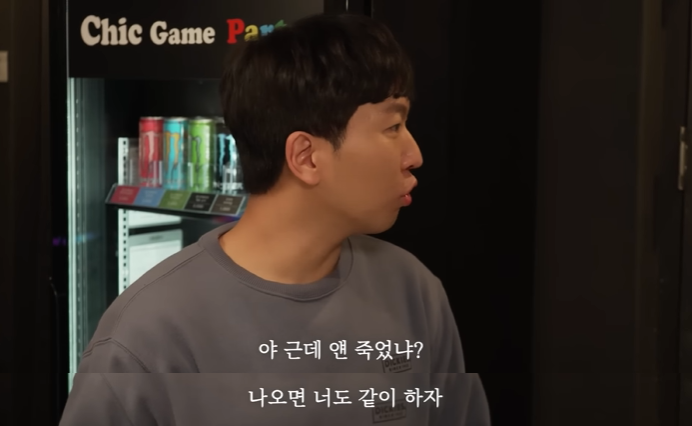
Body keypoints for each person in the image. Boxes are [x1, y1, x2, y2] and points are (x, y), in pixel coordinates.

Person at [59, 13, 490, 426]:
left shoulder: (414, 292)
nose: (414, 155)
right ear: (306, 157)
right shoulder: (147, 337)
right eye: (393, 127)